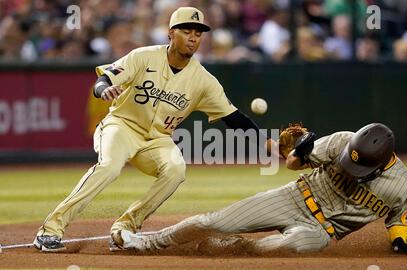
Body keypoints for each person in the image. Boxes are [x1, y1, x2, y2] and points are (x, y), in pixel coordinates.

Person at [33, 7, 273, 252]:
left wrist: (268, 145)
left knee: (176, 169)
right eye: (187, 31)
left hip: (158, 139)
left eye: (198, 33)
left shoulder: (204, 81)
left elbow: (234, 118)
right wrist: (103, 89)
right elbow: (104, 79)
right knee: (109, 167)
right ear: (171, 33)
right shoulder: (143, 56)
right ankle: (49, 230)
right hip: (121, 126)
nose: (193, 37)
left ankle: (125, 227)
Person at [121, 123, 407, 256]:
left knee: (287, 248)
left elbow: (399, 217)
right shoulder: (341, 141)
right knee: (211, 222)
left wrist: (399, 241)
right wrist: (297, 151)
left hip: (321, 230)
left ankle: (229, 250)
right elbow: (293, 163)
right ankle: (145, 243)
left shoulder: (401, 185)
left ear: (384, 161)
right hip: (293, 198)